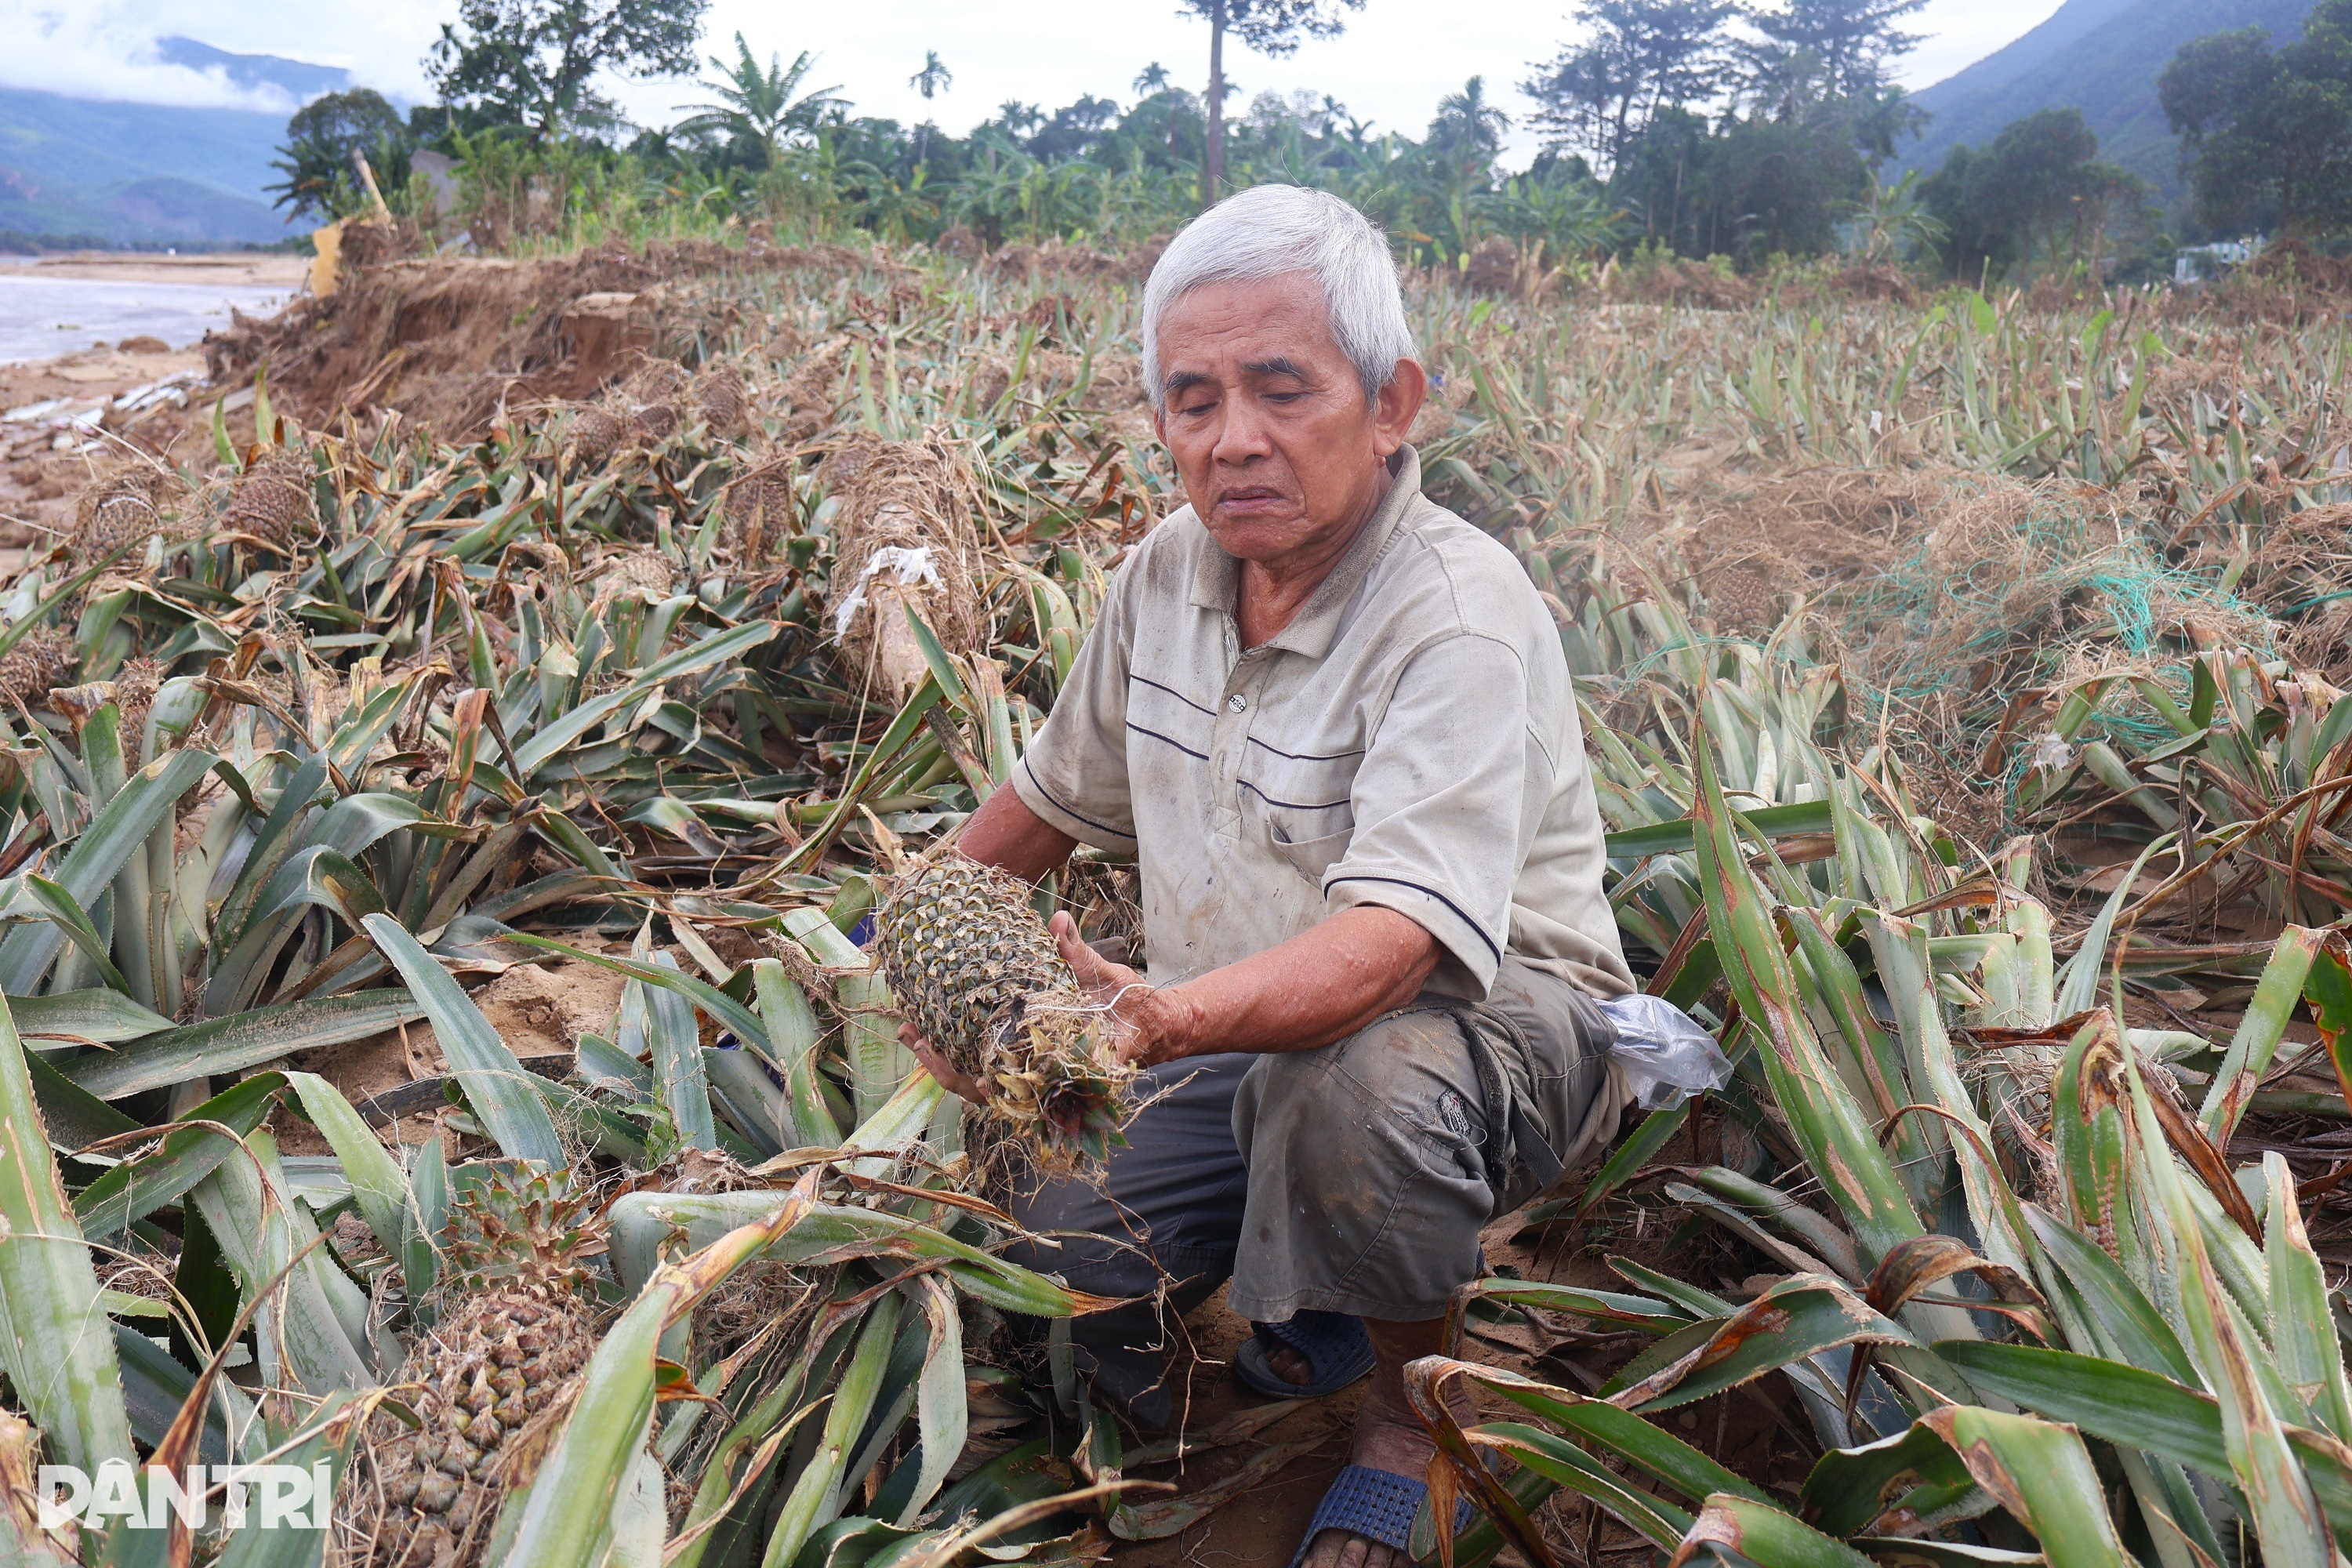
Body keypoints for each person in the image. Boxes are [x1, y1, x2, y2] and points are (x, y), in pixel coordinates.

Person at [899, 182, 1635, 1568]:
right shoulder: (1168, 574)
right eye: (1194, 400)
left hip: (1490, 1033)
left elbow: (1395, 950)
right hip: (1236, 1026)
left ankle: (1411, 1422)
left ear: (1392, 401)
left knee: (1355, 1090)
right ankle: (1320, 1285)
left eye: (1281, 388)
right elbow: (1047, 804)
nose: (1233, 437)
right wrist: (908, 938)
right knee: (1052, 1227)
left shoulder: (1459, 618)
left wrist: (1158, 1021)